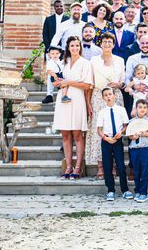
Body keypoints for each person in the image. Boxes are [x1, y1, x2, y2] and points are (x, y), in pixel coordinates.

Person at [53, 36, 92, 180]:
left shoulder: (85, 63)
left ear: (80, 47)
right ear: (68, 48)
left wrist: (69, 82)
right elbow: (58, 79)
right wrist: (58, 82)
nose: (74, 48)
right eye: (72, 46)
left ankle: (78, 166)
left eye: (77, 45)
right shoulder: (64, 62)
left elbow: (87, 85)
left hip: (77, 98)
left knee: (77, 134)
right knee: (65, 134)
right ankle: (68, 165)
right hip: (63, 99)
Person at [87, 32, 125, 179]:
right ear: (100, 44)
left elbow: (123, 81)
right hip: (98, 96)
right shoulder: (94, 61)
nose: (107, 44)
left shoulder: (120, 60)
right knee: (100, 130)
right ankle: (101, 166)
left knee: (115, 128)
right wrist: (88, 104)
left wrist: (118, 84)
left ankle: (114, 164)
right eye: (104, 42)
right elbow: (90, 83)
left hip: (115, 95)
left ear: (113, 44)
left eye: (110, 42)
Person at [97, 87, 133, 201]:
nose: (108, 96)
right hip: (106, 141)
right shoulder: (102, 112)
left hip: (117, 140)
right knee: (107, 166)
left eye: (110, 94)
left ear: (114, 95)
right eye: (106, 95)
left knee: (121, 166)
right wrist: (105, 138)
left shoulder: (121, 110)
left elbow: (126, 125)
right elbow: (99, 129)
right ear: (103, 98)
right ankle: (110, 190)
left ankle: (125, 189)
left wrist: (120, 133)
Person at [128, 99, 148, 203]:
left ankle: (144, 192)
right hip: (134, 149)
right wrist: (133, 136)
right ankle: (137, 191)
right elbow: (129, 135)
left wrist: (146, 134)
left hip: (145, 148)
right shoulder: (131, 122)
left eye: (144, 107)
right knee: (136, 171)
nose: (142, 109)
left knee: (144, 170)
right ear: (136, 108)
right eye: (140, 107)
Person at [124, 35, 148, 116]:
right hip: (136, 94)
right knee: (134, 115)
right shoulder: (131, 58)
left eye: (147, 43)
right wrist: (134, 86)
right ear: (139, 45)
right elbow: (127, 78)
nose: (145, 45)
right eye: (142, 43)